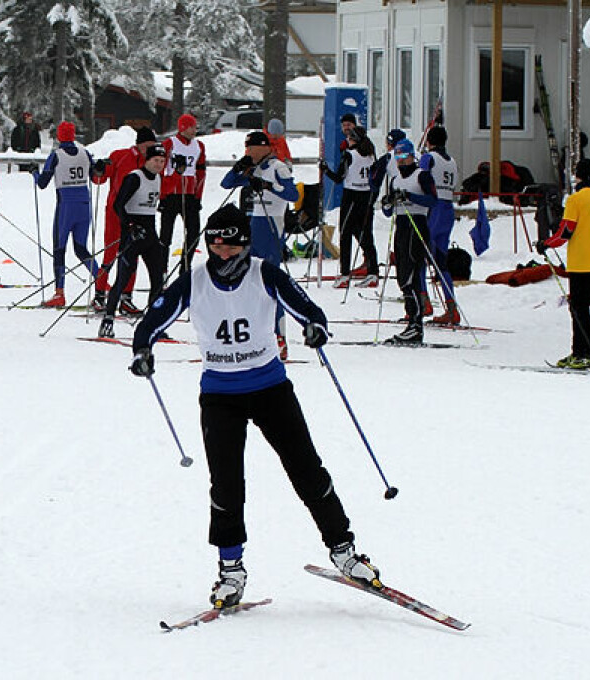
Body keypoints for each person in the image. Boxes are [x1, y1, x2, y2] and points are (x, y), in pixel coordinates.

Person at [129, 204, 382, 609]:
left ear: (245, 245)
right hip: (219, 395)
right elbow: (153, 320)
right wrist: (142, 349)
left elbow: (308, 310)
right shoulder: (194, 281)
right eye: (215, 244)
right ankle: (231, 570)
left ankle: (344, 551)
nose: (222, 252)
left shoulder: (265, 273)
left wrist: (315, 328)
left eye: (230, 245)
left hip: (270, 388)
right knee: (226, 485)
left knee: (307, 469)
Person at [220, 131, 299, 358]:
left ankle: (280, 336)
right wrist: (238, 167)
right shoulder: (255, 167)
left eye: (250, 148)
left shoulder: (278, 167)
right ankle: (254, 334)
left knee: (271, 283)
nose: (248, 152)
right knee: (249, 281)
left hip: (272, 225)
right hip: (255, 224)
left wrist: (268, 185)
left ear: (263, 147)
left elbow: (293, 194)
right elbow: (227, 184)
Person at [535, 158, 590, 369]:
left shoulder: (576, 199)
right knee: (580, 307)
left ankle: (587, 353)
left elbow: (566, 231)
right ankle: (582, 352)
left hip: (579, 261)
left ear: (578, 176)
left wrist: (545, 244)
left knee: (578, 309)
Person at [97, 144, 167, 338]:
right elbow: (118, 204)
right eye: (156, 160)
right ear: (147, 160)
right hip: (133, 236)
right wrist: (130, 226)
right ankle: (107, 321)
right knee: (123, 278)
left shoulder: (158, 178)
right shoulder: (135, 177)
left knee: (158, 280)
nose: (159, 165)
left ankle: (154, 324)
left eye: (162, 161)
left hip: (150, 234)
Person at [91, 126, 157, 314]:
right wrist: (98, 170)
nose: (150, 149)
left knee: (132, 255)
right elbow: (100, 179)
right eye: (148, 146)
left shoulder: (152, 162)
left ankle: (126, 298)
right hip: (115, 212)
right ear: (139, 144)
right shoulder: (120, 156)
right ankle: (100, 294)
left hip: (137, 214)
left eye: (153, 146)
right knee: (111, 253)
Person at [34, 121, 101, 307]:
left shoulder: (56, 155)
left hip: (66, 206)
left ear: (59, 136)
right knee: (81, 249)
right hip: (84, 204)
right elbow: (96, 177)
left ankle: (59, 294)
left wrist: (34, 173)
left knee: (59, 249)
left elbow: (42, 183)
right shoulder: (85, 153)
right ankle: (103, 284)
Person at [379, 138, 438, 345]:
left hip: (417, 226)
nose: (401, 160)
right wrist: (387, 203)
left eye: (405, 156)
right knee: (402, 276)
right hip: (402, 227)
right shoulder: (395, 180)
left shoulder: (421, 175)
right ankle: (412, 322)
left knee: (412, 275)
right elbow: (388, 212)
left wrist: (410, 196)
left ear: (413, 156)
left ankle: (416, 324)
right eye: (397, 157)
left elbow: (433, 200)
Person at [320, 125, 380, 288]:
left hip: (351, 196)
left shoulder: (350, 154)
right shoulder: (371, 153)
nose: (347, 139)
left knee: (345, 234)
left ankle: (345, 274)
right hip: (366, 196)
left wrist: (325, 170)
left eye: (349, 137)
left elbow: (339, 178)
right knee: (365, 235)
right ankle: (373, 272)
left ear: (354, 139)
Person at [419, 126, 461, 325]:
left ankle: (423, 303)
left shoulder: (429, 158)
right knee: (441, 260)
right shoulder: (452, 160)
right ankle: (451, 308)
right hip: (448, 209)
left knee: (421, 254)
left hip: (433, 208)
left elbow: (420, 178)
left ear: (429, 141)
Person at [160, 113, 206, 276]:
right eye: (191, 127)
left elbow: (201, 172)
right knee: (165, 236)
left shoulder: (199, 146)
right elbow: (160, 169)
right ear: (182, 128)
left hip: (190, 195)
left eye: (195, 127)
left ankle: (185, 268)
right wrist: (162, 195)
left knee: (194, 233)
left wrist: (198, 196)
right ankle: (162, 270)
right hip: (171, 194)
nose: (194, 131)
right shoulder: (170, 143)